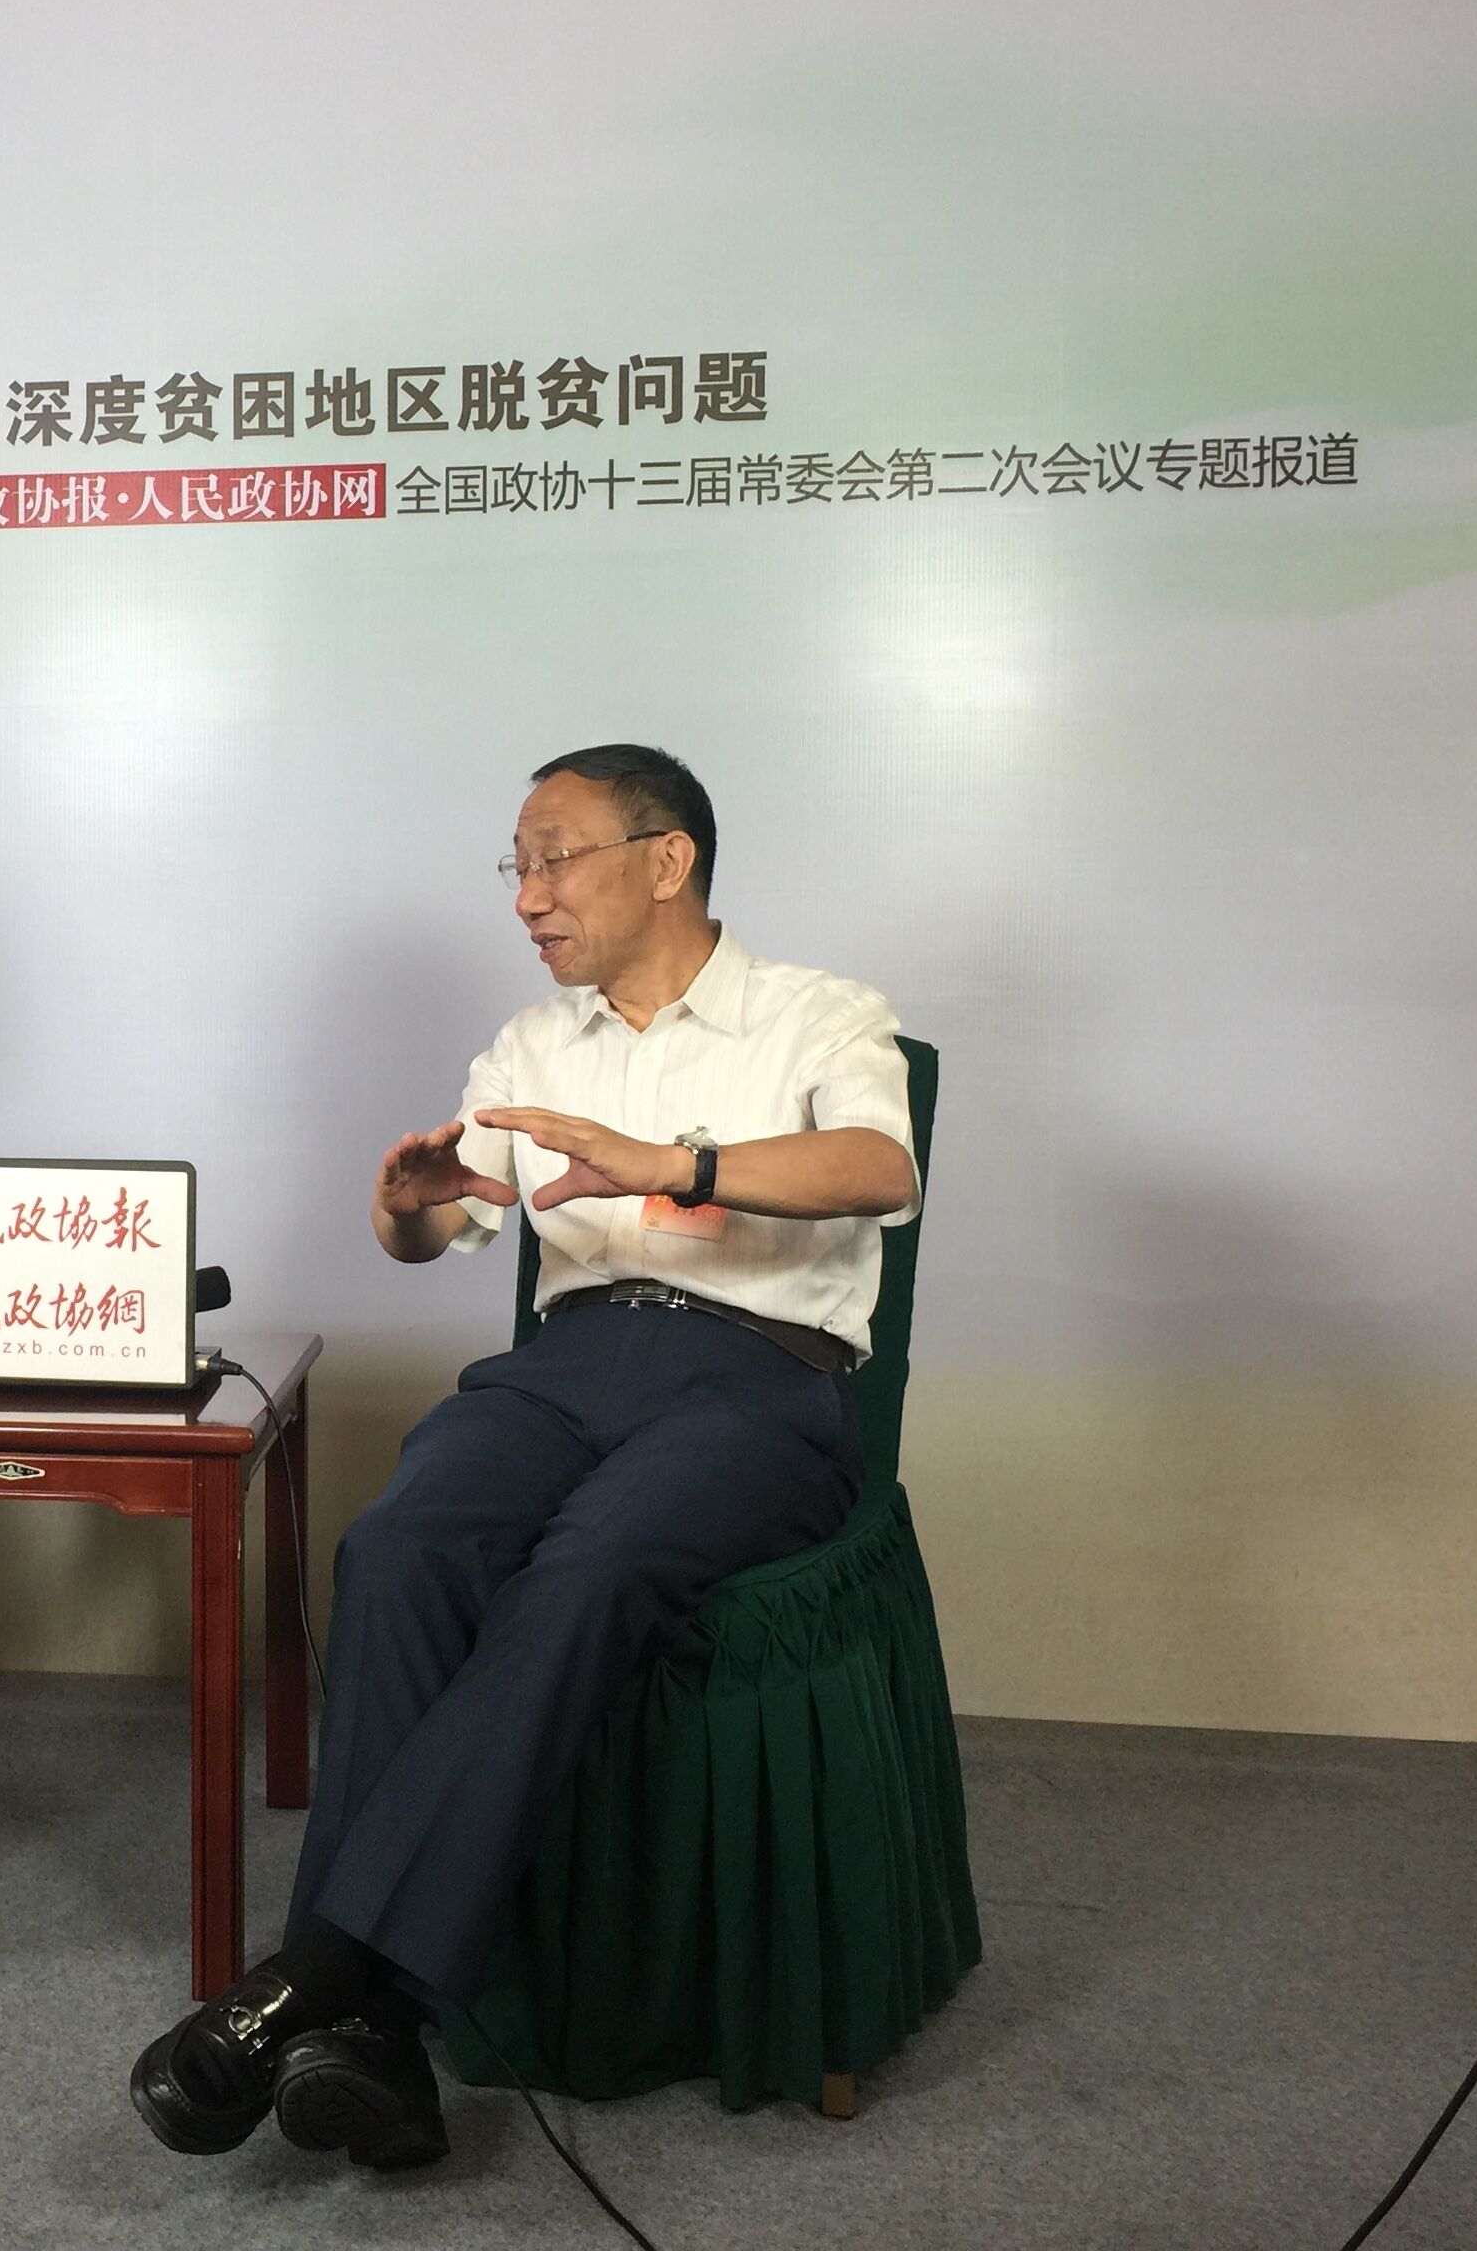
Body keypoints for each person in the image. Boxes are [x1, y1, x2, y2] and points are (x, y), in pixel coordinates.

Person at [130, 743, 920, 2169]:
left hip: (762, 1380)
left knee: (587, 1566)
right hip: (566, 1367)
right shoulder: (532, 1043)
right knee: (397, 1547)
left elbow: (879, 1170)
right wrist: (407, 1211)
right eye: (519, 866)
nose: (527, 898)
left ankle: (315, 1976)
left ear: (667, 860)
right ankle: (370, 2035)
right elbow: (456, 1222)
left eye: (555, 860)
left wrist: (672, 1164)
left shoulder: (819, 1012)